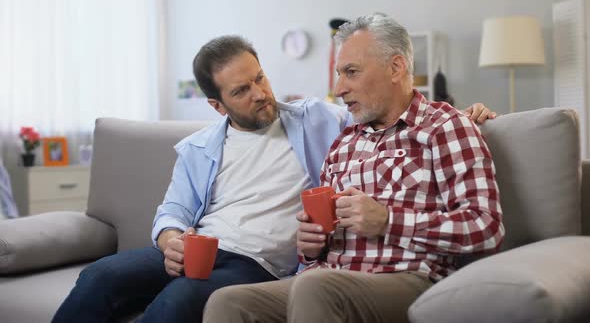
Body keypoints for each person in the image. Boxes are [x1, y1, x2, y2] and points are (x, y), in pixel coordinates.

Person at [53, 33, 496, 322]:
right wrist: (171, 240)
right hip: (207, 249)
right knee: (101, 275)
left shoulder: (319, 121)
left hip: (258, 262)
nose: (261, 94)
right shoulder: (199, 148)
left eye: (260, 78)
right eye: (241, 91)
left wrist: (465, 114)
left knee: (179, 301)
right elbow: (173, 210)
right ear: (217, 105)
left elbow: (384, 108)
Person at [203, 14, 505, 323]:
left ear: (396, 67)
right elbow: (316, 250)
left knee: (316, 287)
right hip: (327, 277)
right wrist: (311, 246)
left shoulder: (445, 127)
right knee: (228, 302)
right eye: (338, 73)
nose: (339, 88)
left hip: (408, 278)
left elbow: (485, 227)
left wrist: (387, 221)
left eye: (351, 72)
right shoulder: (343, 142)